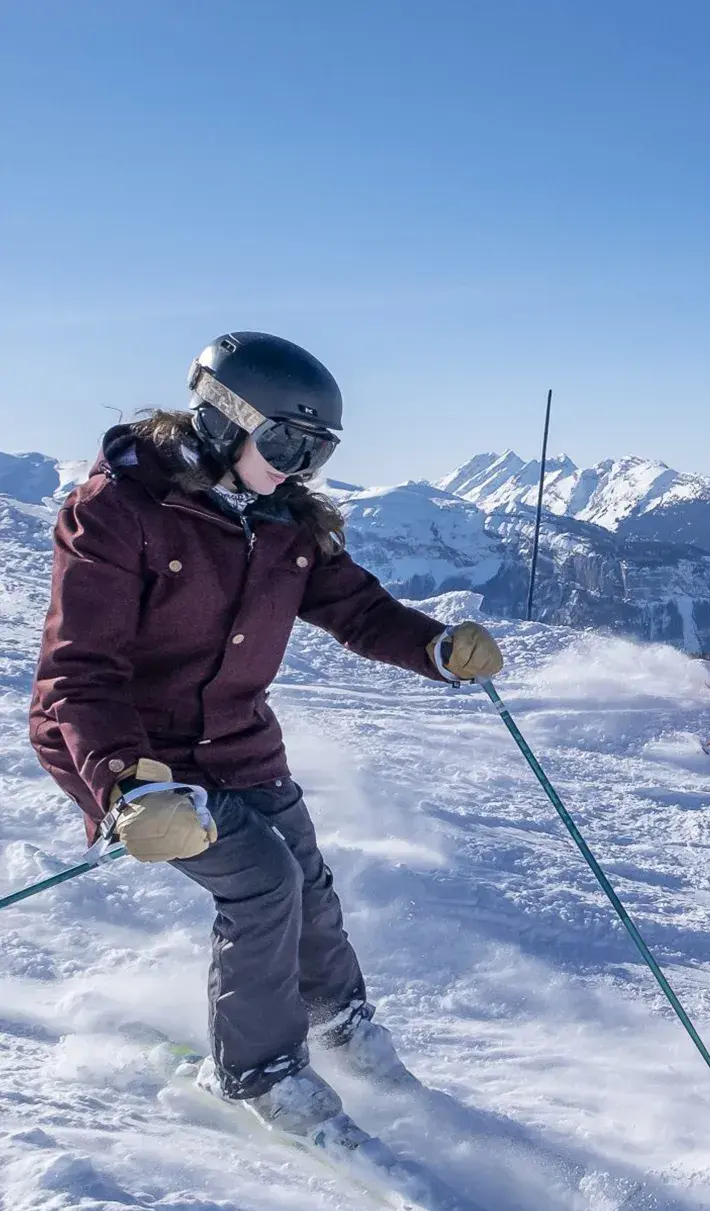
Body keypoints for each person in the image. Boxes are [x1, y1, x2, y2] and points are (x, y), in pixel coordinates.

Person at [30, 331, 504, 1135]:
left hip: (236, 736)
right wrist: (126, 782)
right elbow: (80, 671)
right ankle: (258, 1071)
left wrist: (434, 648)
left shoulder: (285, 522)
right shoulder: (119, 512)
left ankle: (338, 1024)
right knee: (261, 881)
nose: (298, 468)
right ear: (224, 419)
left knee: (308, 881)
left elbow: (358, 609)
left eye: (317, 451)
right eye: (286, 444)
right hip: (128, 748)